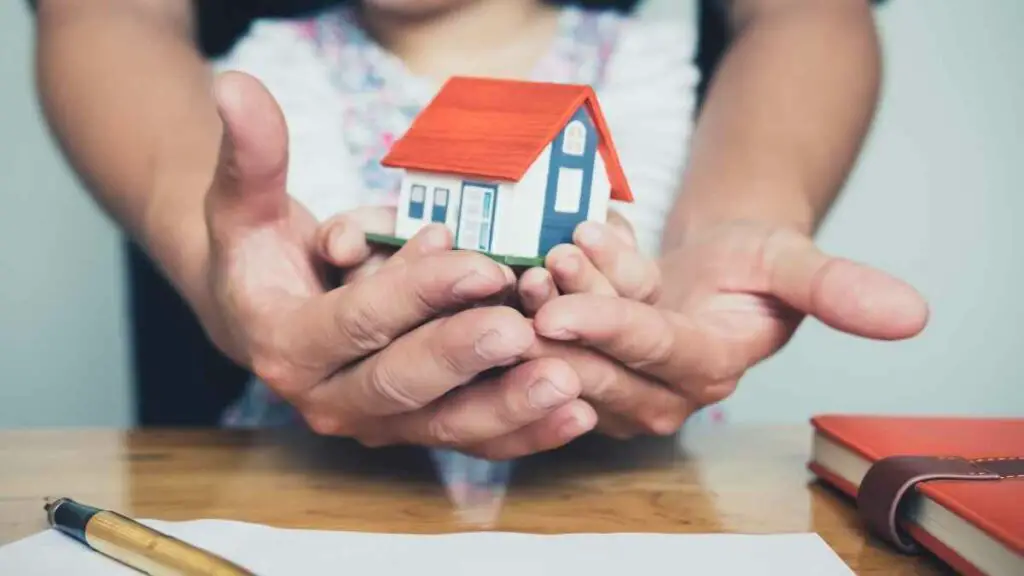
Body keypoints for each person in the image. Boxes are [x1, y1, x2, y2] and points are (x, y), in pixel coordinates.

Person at [32, 0, 928, 461]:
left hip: (622, 484)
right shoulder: (280, 55)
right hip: (307, 476)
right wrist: (277, 262)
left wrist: (729, 223)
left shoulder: (645, 60)